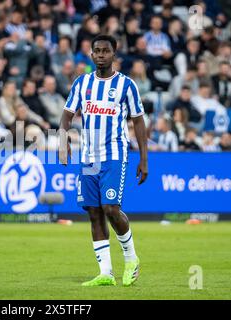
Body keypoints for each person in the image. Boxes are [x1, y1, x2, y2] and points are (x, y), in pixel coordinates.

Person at [59, 35, 147, 287]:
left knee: (111, 209)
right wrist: (62, 140)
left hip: (114, 155)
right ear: (91, 54)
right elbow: (66, 116)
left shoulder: (126, 85)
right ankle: (105, 273)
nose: (100, 55)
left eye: (105, 51)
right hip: (88, 158)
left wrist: (144, 158)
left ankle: (131, 258)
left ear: (114, 54)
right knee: (94, 213)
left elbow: (138, 121)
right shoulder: (82, 83)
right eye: (96, 51)